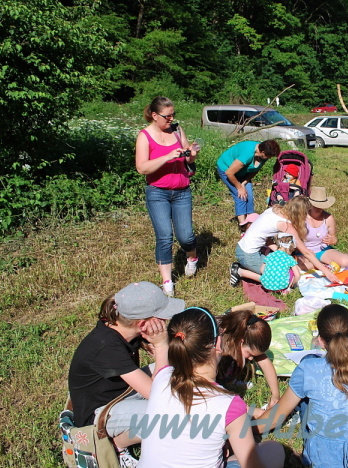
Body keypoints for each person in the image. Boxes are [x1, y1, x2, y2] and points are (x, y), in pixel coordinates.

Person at [255, 304, 348, 468]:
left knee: (308, 363)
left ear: (320, 340)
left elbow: (275, 418)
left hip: (325, 461)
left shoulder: (308, 369)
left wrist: (244, 430)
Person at [139, 307, 284, 468]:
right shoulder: (230, 405)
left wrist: (160, 343)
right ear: (219, 344)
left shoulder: (161, 378)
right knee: (275, 451)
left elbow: (162, 358)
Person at [68, 281, 183, 467]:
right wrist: (161, 345)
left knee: (177, 367)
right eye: (162, 318)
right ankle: (117, 444)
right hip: (98, 415)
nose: (166, 322)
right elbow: (158, 396)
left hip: (119, 394)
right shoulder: (107, 347)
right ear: (143, 324)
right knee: (168, 414)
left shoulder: (119, 328)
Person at [135, 96, 200, 297]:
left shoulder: (177, 130)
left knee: (186, 236)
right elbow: (142, 168)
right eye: (167, 116)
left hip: (182, 191)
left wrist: (191, 155)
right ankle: (167, 282)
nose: (171, 119)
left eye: (173, 115)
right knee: (164, 236)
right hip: (158, 192)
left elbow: (187, 157)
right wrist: (167, 157)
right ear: (155, 115)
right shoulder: (144, 136)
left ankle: (192, 257)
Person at [230, 196, 339, 286]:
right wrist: (326, 272)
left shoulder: (275, 209)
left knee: (284, 266)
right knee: (282, 278)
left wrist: (278, 251)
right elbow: (306, 252)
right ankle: (239, 271)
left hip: (244, 247)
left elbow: (265, 236)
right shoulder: (285, 225)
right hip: (247, 254)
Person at [217, 310, 281, 407]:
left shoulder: (244, 338)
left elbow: (265, 363)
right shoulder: (218, 349)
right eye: (250, 354)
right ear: (241, 341)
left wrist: (275, 394)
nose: (251, 359)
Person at [216, 140, 281, 233]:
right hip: (227, 169)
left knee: (249, 195)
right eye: (269, 156)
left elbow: (255, 170)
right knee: (241, 196)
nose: (269, 158)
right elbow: (229, 173)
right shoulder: (247, 154)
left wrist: (244, 182)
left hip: (242, 173)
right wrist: (239, 187)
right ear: (263, 152)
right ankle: (243, 227)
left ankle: (250, 220)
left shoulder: (263, 156)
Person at [297, 186, 348, 271]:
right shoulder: (301, 217)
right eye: (315, 206)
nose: (318, 208)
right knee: (298, 267)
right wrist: (305, 251)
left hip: (322, 250)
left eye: (321, 206)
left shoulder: (328, 218)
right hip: (304, 252)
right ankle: (322, 264)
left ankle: (347, 257)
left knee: (345, 261)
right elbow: (294, 239)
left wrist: (332, 240)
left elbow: (334, 238)